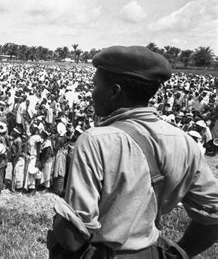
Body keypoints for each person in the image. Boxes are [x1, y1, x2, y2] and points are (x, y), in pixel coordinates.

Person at [47, 46, 218, 258]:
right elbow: (213, 213)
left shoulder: (94, 140)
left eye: (95, 85)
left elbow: (74, 239)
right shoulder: (184, 142)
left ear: (114, 91)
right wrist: (179, 254)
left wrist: (58, 224)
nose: (91, 93)